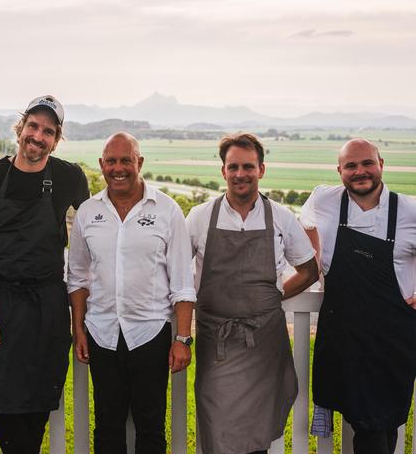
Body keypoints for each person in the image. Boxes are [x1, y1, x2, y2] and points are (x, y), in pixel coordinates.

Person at [0, 95, 89, 454]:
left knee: (37, 408)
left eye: (48, 131)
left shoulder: (68, 177)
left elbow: (96, 226)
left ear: (56, 139)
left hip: (48, 305)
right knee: (1, 407)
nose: (38, 135)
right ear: (21, 127)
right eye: (33, 125)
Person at [186, 132, 319, 454]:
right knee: (217, 432)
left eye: (248, 166)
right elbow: (176, 274)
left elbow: (309, 270)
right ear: (223, 171)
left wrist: (273, 297)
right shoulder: (200, 217)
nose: (240, 174)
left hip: (263, 343)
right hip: (215, 342)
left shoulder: (282, 218)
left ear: (261, 169)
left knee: (258, 434)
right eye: (233, 167)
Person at [67, 132, 196, 454]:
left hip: (149, 334)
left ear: (139, 162)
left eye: (126, 160)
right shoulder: (87, 212)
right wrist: (78, 329)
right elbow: (78, 276)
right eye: (111, 161)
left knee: (150, 426)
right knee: (107, 427)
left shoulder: (167, 211)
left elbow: (182, 282)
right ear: (101, 165)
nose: (118, 168)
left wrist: (181, 339)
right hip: (101, 332)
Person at [300, 138, 416, 454]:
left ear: (381, 165)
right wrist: (315, 265)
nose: (359, 171)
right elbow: (304, 224)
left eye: (367, 163)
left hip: (391, 341)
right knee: (369, 423)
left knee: (378, 422)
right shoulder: (323, 200)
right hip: (344, 336)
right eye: (351, 165)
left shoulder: (409, 210)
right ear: (340, 170)